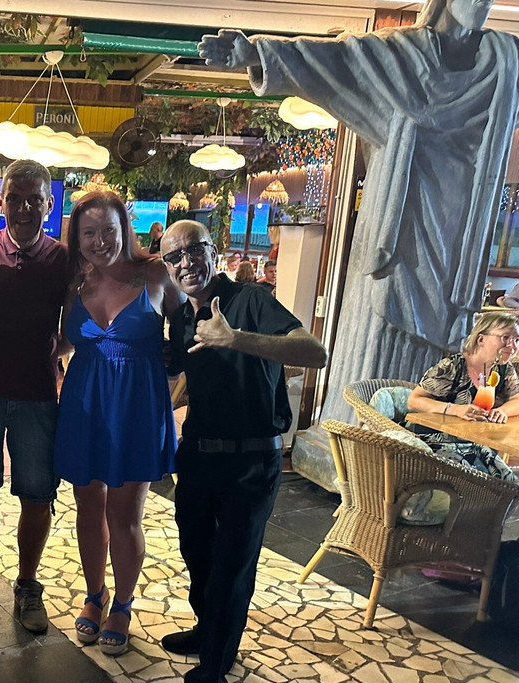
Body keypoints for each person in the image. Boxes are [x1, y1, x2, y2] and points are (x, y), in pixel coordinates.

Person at [200, 0, 519, 424]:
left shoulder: (504, 65)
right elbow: (337, 60)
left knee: (438, 350)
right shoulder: (402, 57)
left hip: (460, 241)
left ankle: (419, 442)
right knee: (378, 345)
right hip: (398, 232)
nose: (481, 2)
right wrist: (256, 52)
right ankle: (359, 439)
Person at [160, 219, 327, 683]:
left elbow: (314, 352)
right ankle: (212, 633)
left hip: (251, 463)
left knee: (231, 575)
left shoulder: (252, 300)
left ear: (214, 251)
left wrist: (235, 339)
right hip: (197, 457)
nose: (185, 262)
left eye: (194, 250)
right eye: (173, 256)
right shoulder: (182, 318)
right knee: (197, 558)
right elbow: (192, 376)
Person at [55, 191, 181, 657]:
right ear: (77, 237)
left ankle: (123, 605)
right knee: (88, 508)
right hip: (85, 403)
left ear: (124, 228)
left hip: (137, 408)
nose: (99, 241)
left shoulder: (156, 274)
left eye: (108, 230)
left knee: (124, 516)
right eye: (89, 232)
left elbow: (191, 332)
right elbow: (66, 342)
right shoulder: (74, 281)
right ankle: (95, 594)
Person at [0, 159, 72, 638]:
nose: (24, 208)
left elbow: (74, 324)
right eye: (15, 199)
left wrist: (56, 349)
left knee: (37, 497)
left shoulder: (63, 259)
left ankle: (27, 585)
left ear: (49, 204)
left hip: (37, 397)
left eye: (34, 200)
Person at [405, 312, 519, 479]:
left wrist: (502, 411)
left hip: (472, 439)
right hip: (431, 437)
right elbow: (413, 401)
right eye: (505, 337)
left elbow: (517, 399)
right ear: (481, 339)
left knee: (494, 470)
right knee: (485, 468)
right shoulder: (453, 366)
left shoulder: (504, 369)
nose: (512, 345)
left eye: (517, 340)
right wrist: (455, 410)